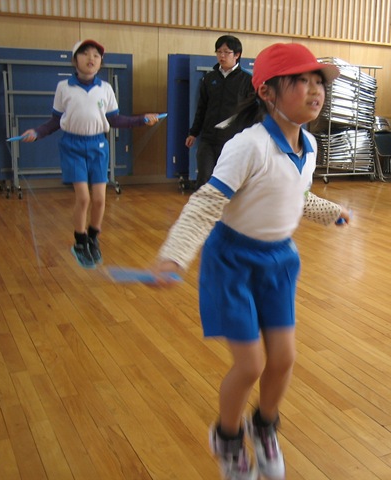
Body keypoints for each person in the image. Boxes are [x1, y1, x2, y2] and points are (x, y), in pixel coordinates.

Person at [153, 43, 351, 480]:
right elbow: (205, 204)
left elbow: (295, 194)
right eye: (301, 81)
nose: (315, 90)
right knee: (250, 365)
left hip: (279, 262)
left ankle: (264, 428)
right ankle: (226, 439)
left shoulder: (310, 144)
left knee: (283, 359)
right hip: (232, 264)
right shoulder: (248, 146)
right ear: (267, 92)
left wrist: (327, 210)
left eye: (318, 82)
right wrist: (173, 256)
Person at [20, 39, 160, 269]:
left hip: (98, 146)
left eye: (96, 55)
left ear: (100, 62)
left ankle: (93, 238)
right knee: (83, 198)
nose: (91, 58)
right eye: (85, 54)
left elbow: (115, 119)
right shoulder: (64, 87)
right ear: (75, 60)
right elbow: (55, 121)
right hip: (72, 146)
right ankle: (79, 241)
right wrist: (37, 132)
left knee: (99, 199)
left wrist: (141, 120)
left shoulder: (105, 88)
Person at [185, 35, 254, 189]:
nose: (222, 56)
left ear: (237, 55)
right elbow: (202, 107)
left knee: (230, 183)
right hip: (208, 139)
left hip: (233, 141)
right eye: (219, 52)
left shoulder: (247, 80)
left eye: (226, 52)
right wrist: (193, 132)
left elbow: (253, 112)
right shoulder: (209, 78)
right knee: (204, 179)